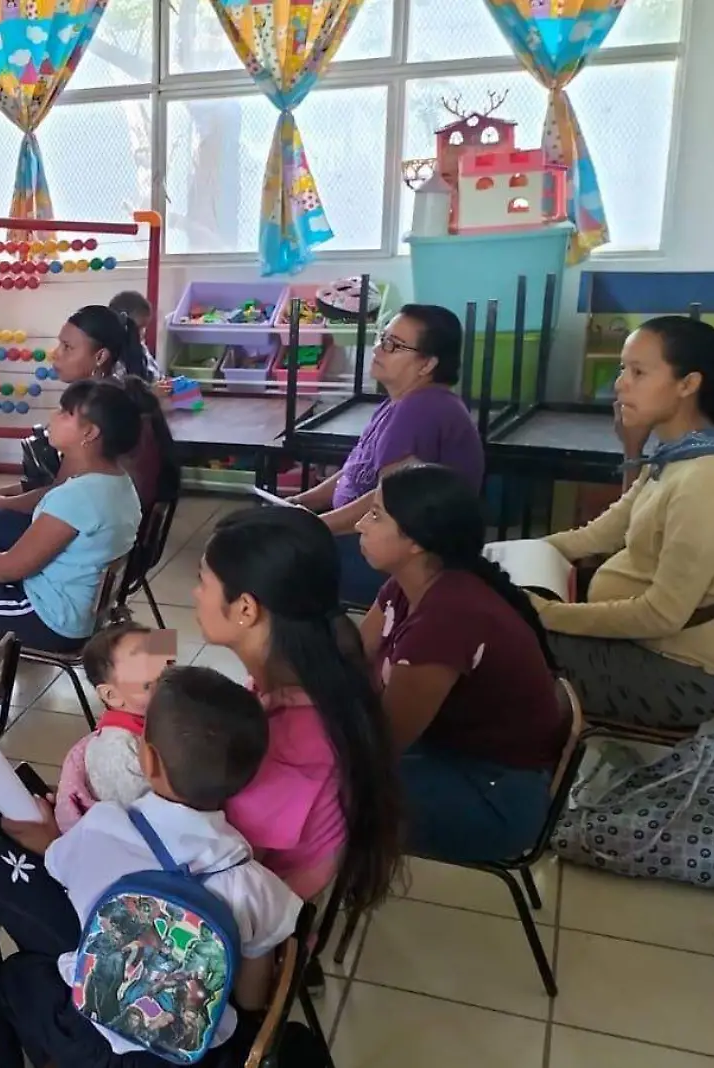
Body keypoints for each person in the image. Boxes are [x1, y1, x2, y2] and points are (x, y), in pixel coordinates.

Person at [0, 667, 299, 1068]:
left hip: (99, 1045)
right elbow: (253, 998)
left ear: (147, 759)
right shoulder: (255, 882)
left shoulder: (106, 825)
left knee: (18, 975)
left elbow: (56, 867)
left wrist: (51, 836)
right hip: (190, 1051)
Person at [541, 316, 714, 731]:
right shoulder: (677, 456)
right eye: (622, 369)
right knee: (488, 626)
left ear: (688, 384)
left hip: (670, 675)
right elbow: (597, 535)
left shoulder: (709, 480)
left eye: (639, 372)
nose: (621, 384)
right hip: (640, 648)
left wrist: (549, 613)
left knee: (490, 646)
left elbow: (662, 616)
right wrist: (519, 555)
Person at [354, 464, 568, 863]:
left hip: (495, 796)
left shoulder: (446, 619)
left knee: (322, 796)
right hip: (450, 754)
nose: (361, 523)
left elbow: (383, 742)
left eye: (377, 514)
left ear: (416, 540)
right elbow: (354, 656)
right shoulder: (411, 583)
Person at [192, 506, 405, 904]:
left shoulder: (292, 743)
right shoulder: (311, 677)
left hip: (242, 930)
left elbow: (213, 858)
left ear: (245, 609)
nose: (194, 593)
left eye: (202, 580)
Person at [0, 380, 144, 721]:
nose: (54, 416)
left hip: (50, 617)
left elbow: (13, 568)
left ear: (89, 433)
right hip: (79, 613)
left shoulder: (79, 496)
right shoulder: (119, 484)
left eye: (66, 413)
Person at [284, 304, 484, 606]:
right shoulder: (401, 402)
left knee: (277, 562)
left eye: (393, 345)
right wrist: (305, 502)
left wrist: (318, 527)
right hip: (372, 538)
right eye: (382, 338)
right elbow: (356, 469)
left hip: (403, 558)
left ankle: (319, 645)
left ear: (427, 364)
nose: (378, 349)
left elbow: (389, 499)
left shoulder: (422, 409)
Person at [0, 304, 180, 552]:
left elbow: (59, 492)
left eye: (67, 348)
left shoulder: (98, 411)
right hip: (116, 530)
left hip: (101, 538)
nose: (56, 354)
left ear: (100, 356)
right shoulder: (115, 393)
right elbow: (67, 482)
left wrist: (4, 503)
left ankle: (21, 578)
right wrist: (5, 492)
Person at [53, 623, 176, 831]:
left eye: (171, 665)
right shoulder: (119, 751)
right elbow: (154, 824)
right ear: (112, 695)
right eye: (152, 683)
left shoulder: (157, 716)